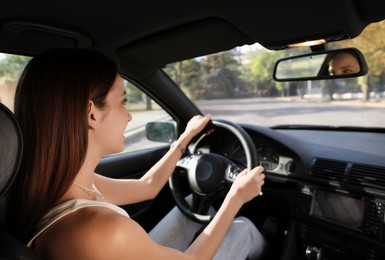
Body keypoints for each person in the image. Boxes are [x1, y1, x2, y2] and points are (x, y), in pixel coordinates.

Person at [7, 48, 266, 259]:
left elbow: (148, 186)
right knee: (243, 231)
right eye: (123, 101)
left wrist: (185, 138)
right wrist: (236, 197)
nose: (129, 116)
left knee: (189, 205)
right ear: (92, 114)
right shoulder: (104, 231)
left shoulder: (62, 184)